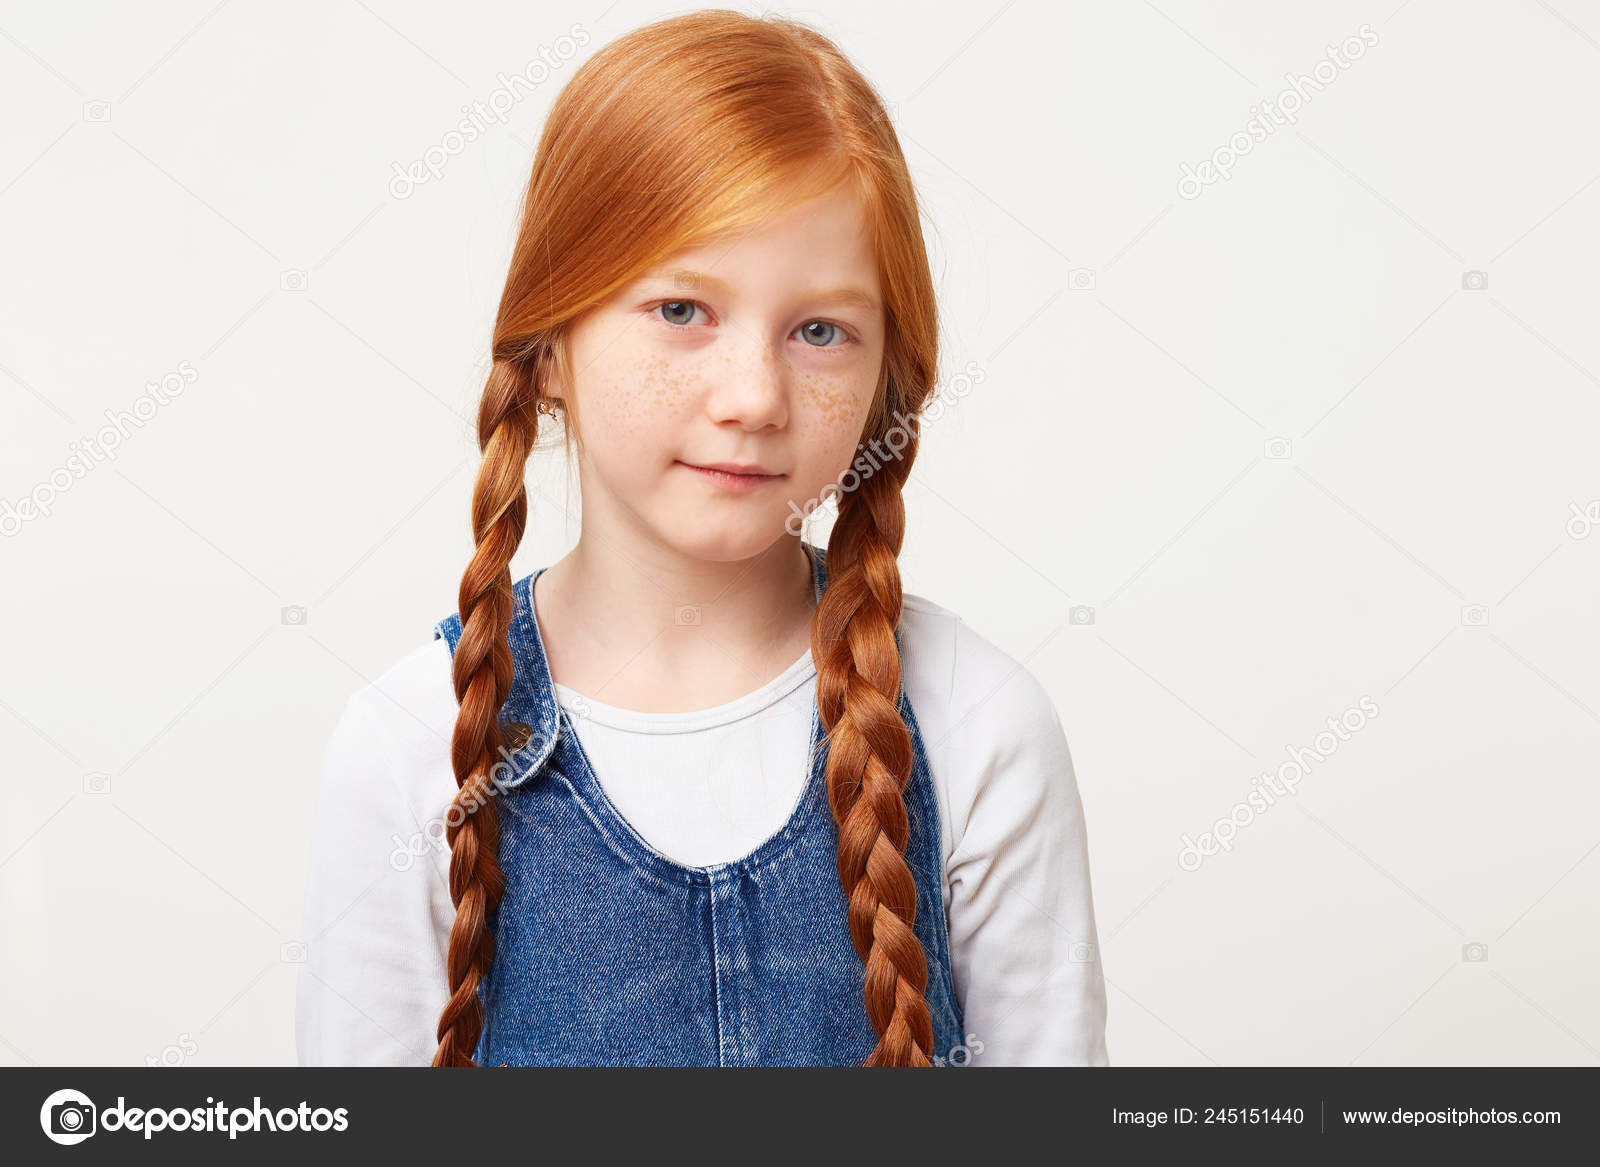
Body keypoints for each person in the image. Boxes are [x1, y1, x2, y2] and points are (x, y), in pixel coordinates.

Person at [296, 8, 1107, 1068]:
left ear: (883, 382)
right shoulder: (409, 746)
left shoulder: (977, 724)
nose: (755, 396)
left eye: (820, 331)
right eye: (682, 310)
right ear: (546, 351)